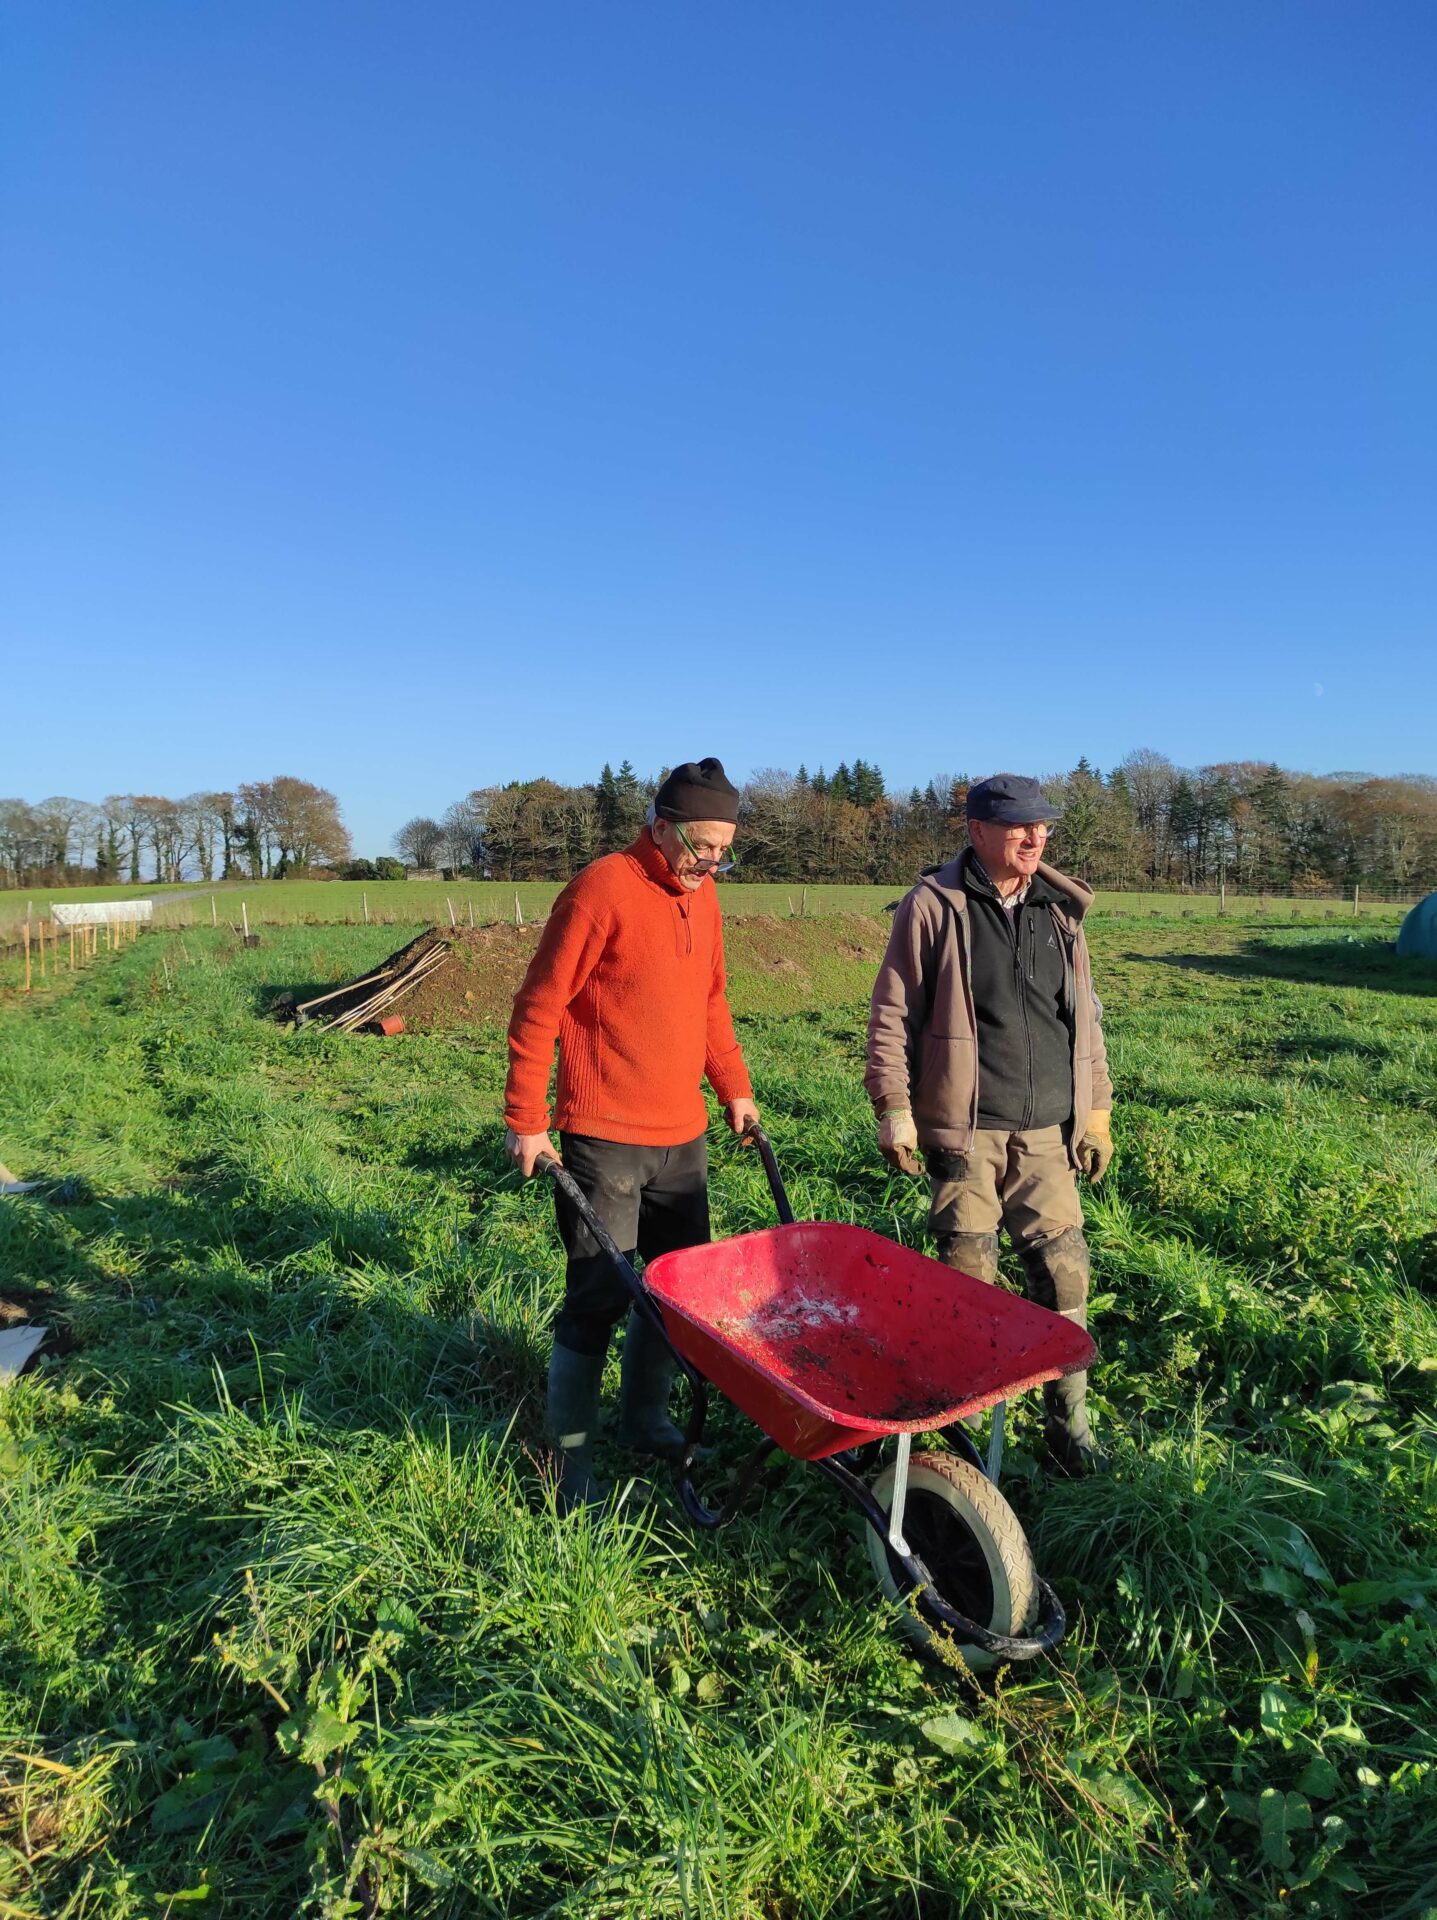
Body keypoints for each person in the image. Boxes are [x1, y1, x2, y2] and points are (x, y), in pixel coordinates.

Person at [503, 757, 759, 1508]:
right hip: (603, 1134)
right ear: (659, 826)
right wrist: (527, 1118)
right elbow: (537, 1008)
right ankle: (571, 1460)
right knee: (598, 1295)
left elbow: (710, 1002)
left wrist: (734, 1089)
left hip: (682, 1134)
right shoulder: (600, 889)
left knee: (677, 1293)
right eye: (699, 846)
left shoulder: (703, 896)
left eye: (723, 850)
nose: (710, 863)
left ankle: (645, 1419)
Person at [864, 772, 1114, 1474]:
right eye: (1018, 828)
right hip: (964, 1133)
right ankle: (955, 1435)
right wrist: (894, 1108)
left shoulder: (1059, 912)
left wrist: (1094, 1113)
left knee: (1064, 1276)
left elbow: (1084, 1019)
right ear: (976, 831)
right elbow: (891, 1014)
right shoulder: (931, 907)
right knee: (966, 1281)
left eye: (1042, 828)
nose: (1035, 839)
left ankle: (1068, 1431)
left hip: (1045, 1136)